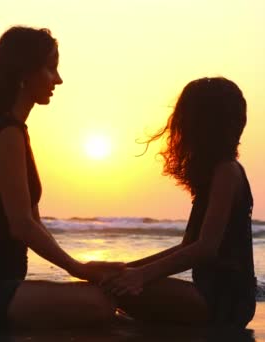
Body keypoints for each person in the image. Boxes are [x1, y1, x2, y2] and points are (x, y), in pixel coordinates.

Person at [0, 26, 123, 332]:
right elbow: (21, 225)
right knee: (100, 305)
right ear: (25, 72)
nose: (58, 80)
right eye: (51, 69)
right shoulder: (6, 133)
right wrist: (79, 269)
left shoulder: (12, 130)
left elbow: (34, 223)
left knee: (100, 304)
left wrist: (81, 269)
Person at [103, 77, 257, 330]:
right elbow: (188, 246)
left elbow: (205, 249)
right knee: (113, 284)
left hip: (224, 301)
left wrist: (141, 276)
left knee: (114, 292)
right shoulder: (215, 174)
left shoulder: (227, 172)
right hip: (212, 295)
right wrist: (127, 269)